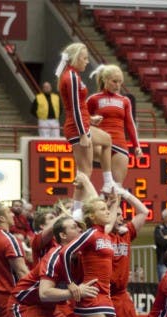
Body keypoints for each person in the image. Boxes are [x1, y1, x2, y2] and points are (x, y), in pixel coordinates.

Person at [107, 189, 155, 317]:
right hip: (100, 295)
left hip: (121, 295)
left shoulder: (126, 233)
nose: (121, 217)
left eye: (121, 214)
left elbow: (143, 212)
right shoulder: (100, 234)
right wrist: (111, 204)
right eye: (116, 214)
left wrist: (125, 195)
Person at [56, 43, 116, 203]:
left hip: (81, 124)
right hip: (77, 128)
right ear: (75, 58)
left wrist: (90, 119)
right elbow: (74, 107)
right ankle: (76, 209)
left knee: (106, 141)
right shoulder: (71, 77)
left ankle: (108, 182)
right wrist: (83, 134)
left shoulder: (73, 75)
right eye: (84, 58)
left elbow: (78, 106)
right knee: (84, 172)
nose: (87, 61)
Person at [87, 64, 142, 187]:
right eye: (114, 81)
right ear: (105, 80)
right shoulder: (93, 99)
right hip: (101, 144)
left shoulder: (125, 101)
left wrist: (137, 145)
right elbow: (82, 119)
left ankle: (112, 203)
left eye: (120, 82)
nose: (117, 85)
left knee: (117, 188)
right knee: (89, 177)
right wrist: (91, 119)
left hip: (119, 145)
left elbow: (130, 123)